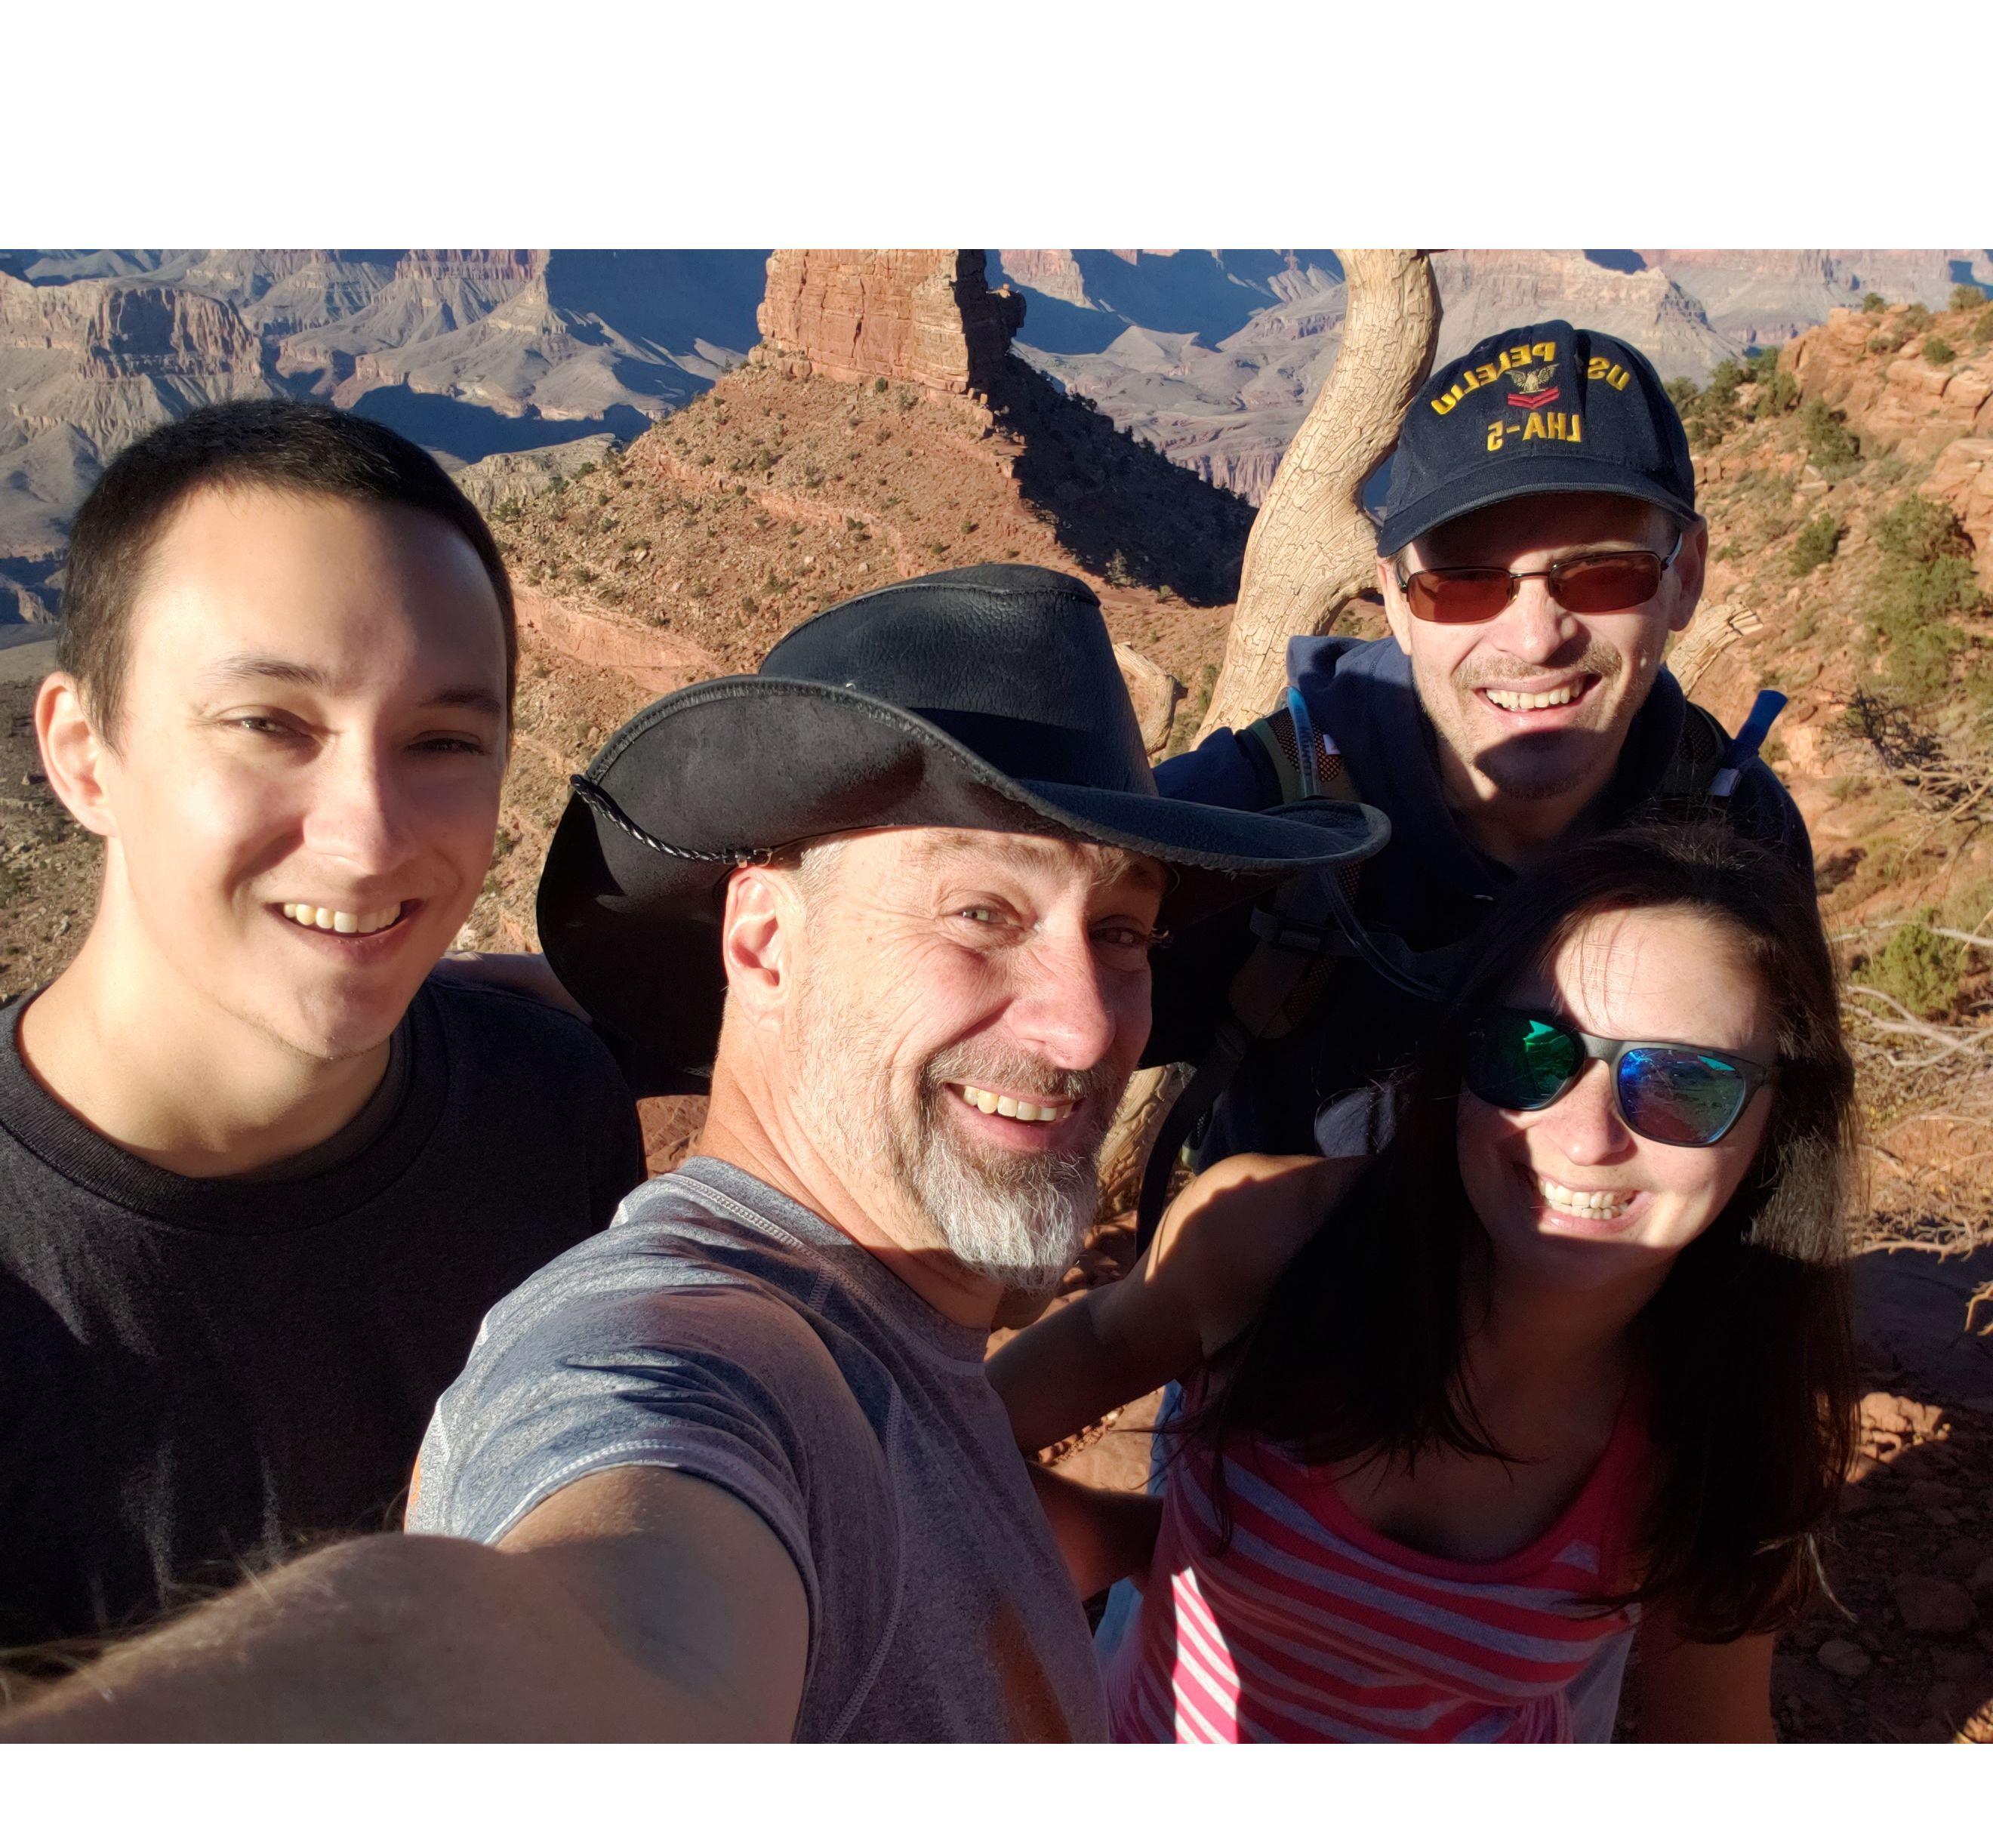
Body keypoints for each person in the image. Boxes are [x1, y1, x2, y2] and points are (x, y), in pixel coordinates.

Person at [0, 562, 1385, 1742]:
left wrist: (1177, 1549)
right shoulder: (681, 1355)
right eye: (980, 915)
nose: (1088, 1026)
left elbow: (933, 1502)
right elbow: (610, 1620)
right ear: (765, 941)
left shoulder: (893, 1324)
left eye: (1121, 932)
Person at [0, 400, 643, 1661]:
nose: (369, 835)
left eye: (444, 740)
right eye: (270, 725)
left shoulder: (550, 1110)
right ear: (84, 755)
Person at [992, 819, 1859, 1742]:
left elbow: (1714, 1743)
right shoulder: (1272, 1241)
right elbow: (954, 1435)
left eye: (1684, 1084)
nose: (1587, 1136)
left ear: (1780, 1119)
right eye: (1531, 1050)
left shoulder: (1724, 1424)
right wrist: (1133, 1537)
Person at [1151, 320, 1811, 1166]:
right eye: (1462, 583)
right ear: (1392, 596)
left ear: (1683, 579)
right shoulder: (1258, 817)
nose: (1535, 639)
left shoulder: (1739, 824)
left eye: (1605, 572)